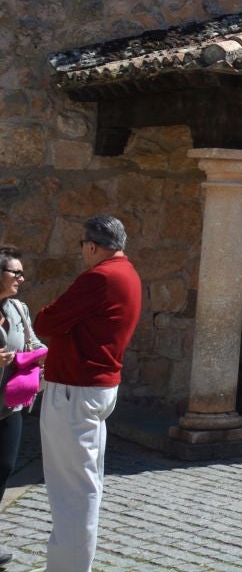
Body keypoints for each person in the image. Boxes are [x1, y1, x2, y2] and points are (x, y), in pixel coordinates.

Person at [33, 216, 141, 572]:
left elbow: (46, 321)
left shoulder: (99, 277)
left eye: (83, 246)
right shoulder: (128, 274)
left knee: (72, 493)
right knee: (81, 487)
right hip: (93, 389)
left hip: (75, 392)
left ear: (92, 246)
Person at [0, 247, 43, 567]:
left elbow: (33, 342)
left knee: (3, 468)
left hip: (8, 407)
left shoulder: (18, 309)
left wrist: (43, 354)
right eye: (15, 272)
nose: (21, 278)